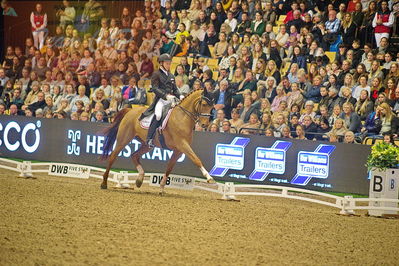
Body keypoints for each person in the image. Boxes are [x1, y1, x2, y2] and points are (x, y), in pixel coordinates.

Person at [140, 54, 182, 148]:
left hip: (172, 100)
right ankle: (149, 139)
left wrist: (180, 96)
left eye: (169, 63)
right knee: (158, 115)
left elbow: (175, 89)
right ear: (161, 63)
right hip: (161, 100)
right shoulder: (156, 74)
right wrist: (165, 96)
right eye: (167, 63)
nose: (168, 65)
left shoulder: (171, 75)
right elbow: (155, 88)